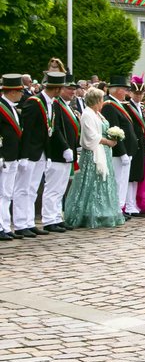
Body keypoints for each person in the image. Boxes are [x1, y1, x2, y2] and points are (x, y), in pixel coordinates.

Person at [64, 87, 125, 229]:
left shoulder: (98, 114)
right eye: (101, 99)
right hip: (94, 154)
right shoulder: (87, 114)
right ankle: (88, 213)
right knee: (91, 182)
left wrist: (113, 136)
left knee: (103, 182)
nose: (103, 102)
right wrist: (107, 141)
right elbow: (91, 136)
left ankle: (104, 211)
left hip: (104, 152)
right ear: (96, 100)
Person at [15, 71, 67, 237]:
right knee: (23, 189)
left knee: (32, 189)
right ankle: (20, 223)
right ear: (56, 88)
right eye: (61, 88)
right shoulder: (34, 102)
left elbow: (51, 129)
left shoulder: (52, 103)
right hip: (30, 152)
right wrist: (24, 155)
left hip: (42, 152)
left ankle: (29, 222)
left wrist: (49, 154)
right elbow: (27, 131)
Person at [42, 75, 80, 232]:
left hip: (67, 153)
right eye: (69, 88)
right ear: (61, 88)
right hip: (58, 153)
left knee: (60, 188)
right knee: (53, 187)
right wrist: (65, 147)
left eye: (74, 89)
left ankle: (57, 217)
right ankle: (49, 219)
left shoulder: (67, 105)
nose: (73, 92)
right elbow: (55, 128)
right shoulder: (56, 104)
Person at [101, 76, 139, 219]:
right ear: (117, 90)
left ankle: (119, 208)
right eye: (125, 89)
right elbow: (114, 130)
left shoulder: (118, 104)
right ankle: (116, 209)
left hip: (127, 151)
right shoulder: (109, 106)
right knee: (117, 181)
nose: (127, 92)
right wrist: (122, 152)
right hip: (118, 153)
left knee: (122, 182)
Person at [0, 74, 24, 240]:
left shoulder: (12, 107)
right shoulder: (2, 108)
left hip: (12, 156)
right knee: (2, 193)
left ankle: (5, 225)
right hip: (4, 156)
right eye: (20, 91)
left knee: (7, 193)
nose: (22, 94)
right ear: (13, 92)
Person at [124, 75, 145, 217]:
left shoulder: (142, 107)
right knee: (130, 176)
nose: (138, 96)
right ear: (131, 93)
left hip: (141, 144)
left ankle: (133, 203)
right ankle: (129, 205)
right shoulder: (127, 107)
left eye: (141, 93)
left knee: (137, 176)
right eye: (136, 93)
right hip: (133, 144)